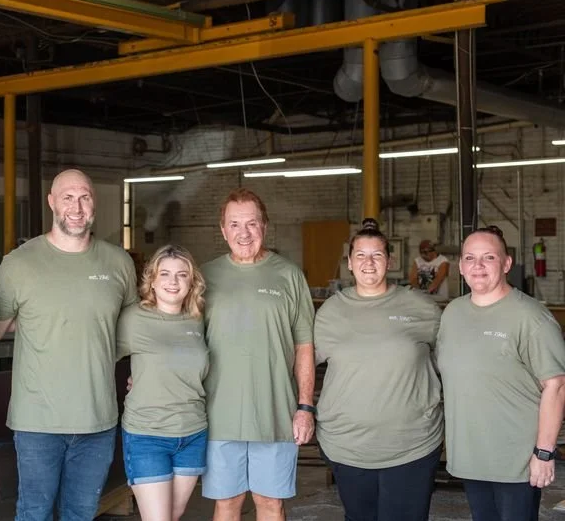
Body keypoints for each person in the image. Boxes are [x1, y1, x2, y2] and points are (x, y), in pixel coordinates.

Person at [0, 169, 138, 521]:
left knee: (81, 513)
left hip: (97, 421)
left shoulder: (118, 262)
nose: (76, 206)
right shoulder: (18, 264)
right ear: (51, 202)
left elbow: (136, 329)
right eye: (68, 197)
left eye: (85, 197)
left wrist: (145, 374)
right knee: (34, 513)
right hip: (37, 423)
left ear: (95, 203)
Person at [314, 219, 443, 521]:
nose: (368, 263)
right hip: (347, 446)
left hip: (411, 444)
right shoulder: (330, 312)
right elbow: (302, 367)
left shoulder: (422, 308)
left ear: (390, 260)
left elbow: (451, 362)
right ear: (349, 262)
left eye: (377, 255)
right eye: (360, 255)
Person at [200, 188, 316, 521]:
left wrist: (305, 407)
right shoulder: (204, 277)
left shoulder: (289, 276)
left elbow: (304, 346)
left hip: (275, 413)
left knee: (270, 502)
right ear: (223, 230)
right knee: (227, 503)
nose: (243, 233)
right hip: (219, 415)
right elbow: (183, 339)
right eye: (234, 224)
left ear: (264, 225)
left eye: (252, 223)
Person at [436, 225, 565, 521]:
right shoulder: (453, 313)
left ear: (506, 264)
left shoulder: (531, 317)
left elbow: (556, 386)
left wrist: (544, 453)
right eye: (470, 258)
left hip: (516, 460)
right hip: (469, 455)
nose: (478, 266)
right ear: (460, 266)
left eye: (488, 258)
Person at [117, 244, 208, 521]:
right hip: (148, 434)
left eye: (182, 275)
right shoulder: (133, 318)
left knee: (174, 515)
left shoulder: (198, 319)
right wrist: (131, 380)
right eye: (164, 274)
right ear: (152, 280)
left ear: (191, 281)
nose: (172, 281)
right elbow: (100, 357)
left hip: (193, 432)